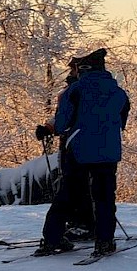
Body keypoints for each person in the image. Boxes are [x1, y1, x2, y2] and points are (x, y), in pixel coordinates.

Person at [38, 48, 131, 258]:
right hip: (108, 152)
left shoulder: (76, 90)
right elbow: (122, 121)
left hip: (77, 150)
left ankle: (52, 239)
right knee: (105, 197)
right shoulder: (119, 93)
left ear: (83, 69)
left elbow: (62, 124)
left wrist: (49, 129)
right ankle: (104, 242)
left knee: (67, 194)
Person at [34, 57, 95, 242]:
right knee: (84, 185)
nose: (70, 71)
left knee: (73, 185)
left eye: (73, 68)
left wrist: (50, 128)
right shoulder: (81, 89)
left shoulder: (73, 90)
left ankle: (79, 224)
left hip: (73, 145)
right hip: (85, 145)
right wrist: (49, 127)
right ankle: (84, 223)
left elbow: (63, 117)